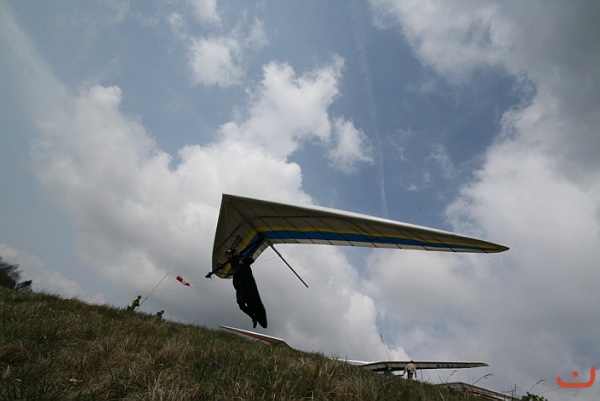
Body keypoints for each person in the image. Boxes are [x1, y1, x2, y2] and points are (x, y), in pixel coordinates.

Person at [227, 249, 268, 329]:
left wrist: (243, 260)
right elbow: (235, 273)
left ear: (233, 254)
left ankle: (257, 315)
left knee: (245, 301)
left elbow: (251, 260)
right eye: (227, 254)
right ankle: (253, 317)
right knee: (240, 304)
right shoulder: (232, 262)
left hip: (247, 284)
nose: (228, 256)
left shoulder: (240, 257)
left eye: (229, 254)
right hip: (239, 285)